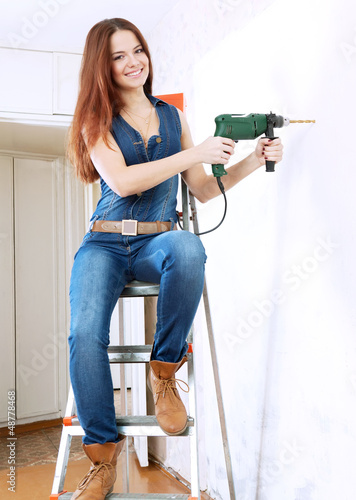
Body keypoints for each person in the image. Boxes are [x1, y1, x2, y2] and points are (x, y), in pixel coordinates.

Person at [67, 17, 283, 500]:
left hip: (156, 241)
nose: (132, 62)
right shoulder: (94, 120)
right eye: (118, 56)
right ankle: (102, 458)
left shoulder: (173, 118)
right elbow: (123, 183)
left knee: (188, 246)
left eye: (137, 50)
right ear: (102, 66)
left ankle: (164, 372)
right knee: (84, 335)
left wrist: (253, 158)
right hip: (103, 243)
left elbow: (204, 190)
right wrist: (195, 154)